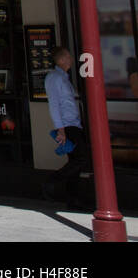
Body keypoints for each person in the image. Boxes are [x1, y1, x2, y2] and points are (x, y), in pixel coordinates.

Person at [44, 46, 89, 210]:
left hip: (74, 123)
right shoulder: (54, 78)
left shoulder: (64, 78)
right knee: (81, 158)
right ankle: (53, 180)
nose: (71, 59)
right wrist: (61, 129)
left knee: (75, 162)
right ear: (61, 59)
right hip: (68, 126)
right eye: (68, 57)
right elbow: (54, 105)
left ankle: (73, 199)